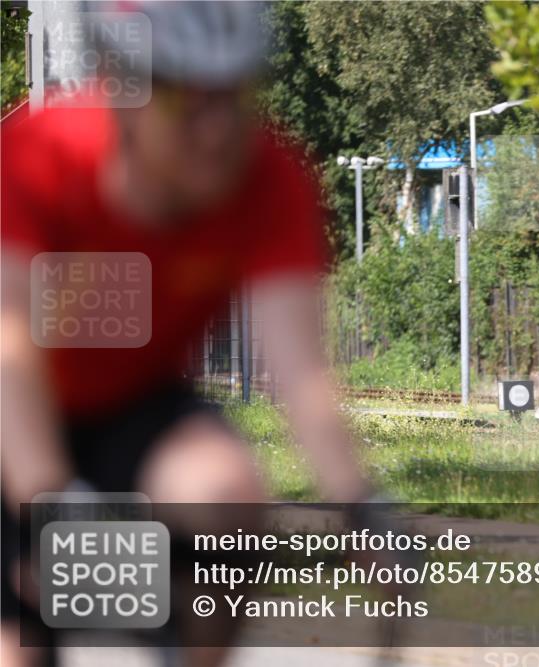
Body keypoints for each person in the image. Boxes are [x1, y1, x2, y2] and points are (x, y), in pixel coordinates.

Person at [1, 2, 373, 665]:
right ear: (124, 91)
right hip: (14, 416)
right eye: (186, 103)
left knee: (225, 489)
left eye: (234, 97)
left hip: (129, 404)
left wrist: (361, 505)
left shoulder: (267, 176)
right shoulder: (36, 155)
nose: (216, 131)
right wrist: (53, 507)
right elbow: (9, 354)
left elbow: (300, 371)